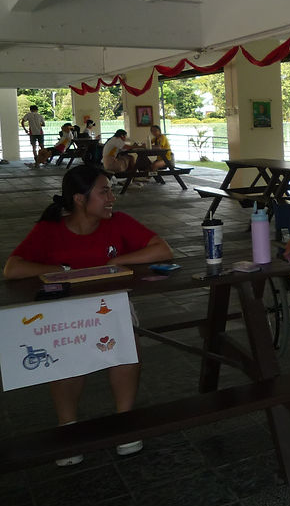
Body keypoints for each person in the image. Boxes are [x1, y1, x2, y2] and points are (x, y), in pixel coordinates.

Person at [3, 165, 173, 465]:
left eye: (110, 190)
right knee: (67, 357)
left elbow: (162, 250)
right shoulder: (50, 229)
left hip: (110, 304)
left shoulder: (118, 222)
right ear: (80, 199)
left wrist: (116, 261)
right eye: (104, 191)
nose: (112, 198)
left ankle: (124, 422)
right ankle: (69, 428)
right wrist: (59, 271)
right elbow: (13, 268)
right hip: (65, 311)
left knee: (125, 344)